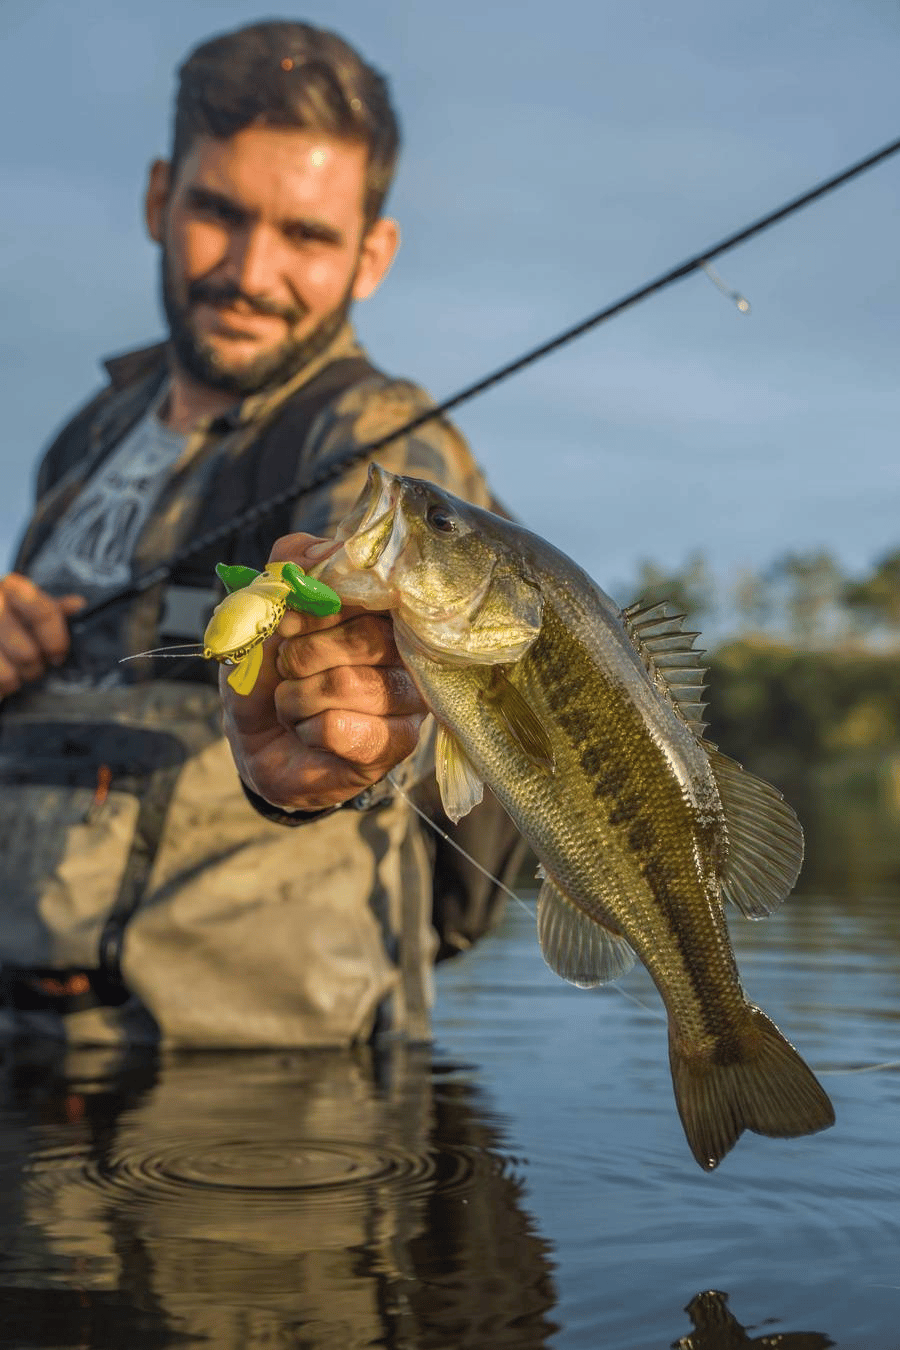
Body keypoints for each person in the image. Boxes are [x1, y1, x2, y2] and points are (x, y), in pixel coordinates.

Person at [0, 20, 525, 1048]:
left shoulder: (381, 435)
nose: (250, 269)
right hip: (31, 1064)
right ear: (160, 198)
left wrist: (333, 735)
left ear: (372, 254)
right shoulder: (83, 440)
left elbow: (383, 649)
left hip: (268, 1100)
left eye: (307, 236)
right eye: (218, 212)